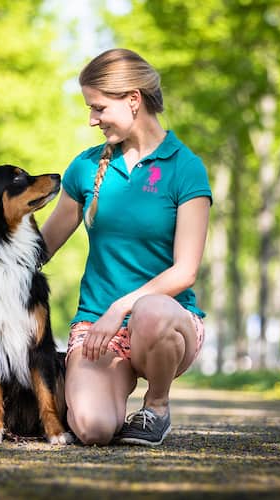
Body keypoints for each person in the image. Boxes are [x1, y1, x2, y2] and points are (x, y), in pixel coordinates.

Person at [40, 48, 212, 446]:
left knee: (149, 311)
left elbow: (185, 271)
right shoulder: (84, 167)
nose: (91, 119)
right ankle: (114, 399)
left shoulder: (186, 168)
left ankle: (157, 405)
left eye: (98, 108)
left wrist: (121, 307)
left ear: (133, 99)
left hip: (166, 324)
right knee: (92, 428)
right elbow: (41, 247)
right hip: (98, 328)